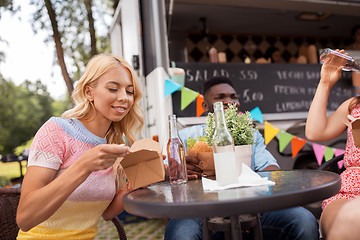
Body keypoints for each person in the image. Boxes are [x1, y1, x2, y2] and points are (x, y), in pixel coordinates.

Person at [165, 76, 319, 240]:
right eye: (219, 97)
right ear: (205, 105)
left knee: (304, 220)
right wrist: (177, 170)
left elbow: (270, 168)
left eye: (233, 97)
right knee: (179, 233)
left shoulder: (251, 134)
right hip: (199, 213)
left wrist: (261, 200)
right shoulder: (186, 136)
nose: (229, 101)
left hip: (251, 210)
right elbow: (167, 173)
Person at [16, 54, 144, 239]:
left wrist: (135, 185)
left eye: (130, 91)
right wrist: (84, 166)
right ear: (88, 92)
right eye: (113, 88)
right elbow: (25, 219)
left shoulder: (113, 143)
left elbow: (106, 213)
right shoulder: (56, 131)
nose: (124, 98)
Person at [305, 49, 358, 239]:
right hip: (349, 192)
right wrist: (325, 82)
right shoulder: (354, 105)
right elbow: (314, 132)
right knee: (351, 219)